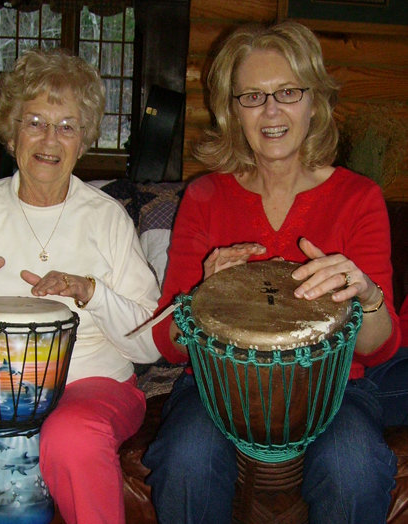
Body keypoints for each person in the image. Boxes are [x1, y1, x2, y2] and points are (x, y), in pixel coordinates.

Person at [142, 21, 406, 524]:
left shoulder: (359, 198)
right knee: (186, 459)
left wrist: (366, 294)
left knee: (353, 467)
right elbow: (170, 342)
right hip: (216, 386)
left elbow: (379, 348)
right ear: (231, 109)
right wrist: (199, 292)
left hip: (337, 388)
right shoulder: (206, 197)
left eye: (288, 91)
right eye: (252, 96)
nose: (271, 111)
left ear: (314, 102)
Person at [0, 48, 160, 523]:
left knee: (74, 438)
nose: (50, 138)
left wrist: (91, 291)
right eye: (35, 121)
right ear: (10, 133)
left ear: (83, 140)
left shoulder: (106, 218)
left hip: (90, 379)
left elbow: (148, 344)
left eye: (67, 126)